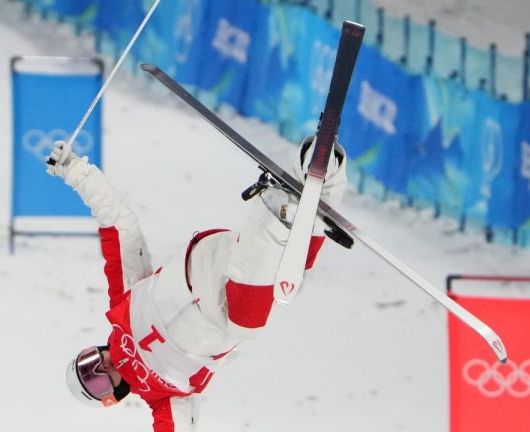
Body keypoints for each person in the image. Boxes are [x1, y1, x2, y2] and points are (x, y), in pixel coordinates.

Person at [46, 135, 348, 432]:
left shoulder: (121, 306)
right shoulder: (166, 400)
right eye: (96, 381)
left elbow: (118, 224)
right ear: (112, 398)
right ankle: (323, 174)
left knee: (248, 320)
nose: (101, 368)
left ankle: (278, 208)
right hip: (232, 292)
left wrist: (76, 172)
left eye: (90, 362)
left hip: (200, 272)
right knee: (288, 282)